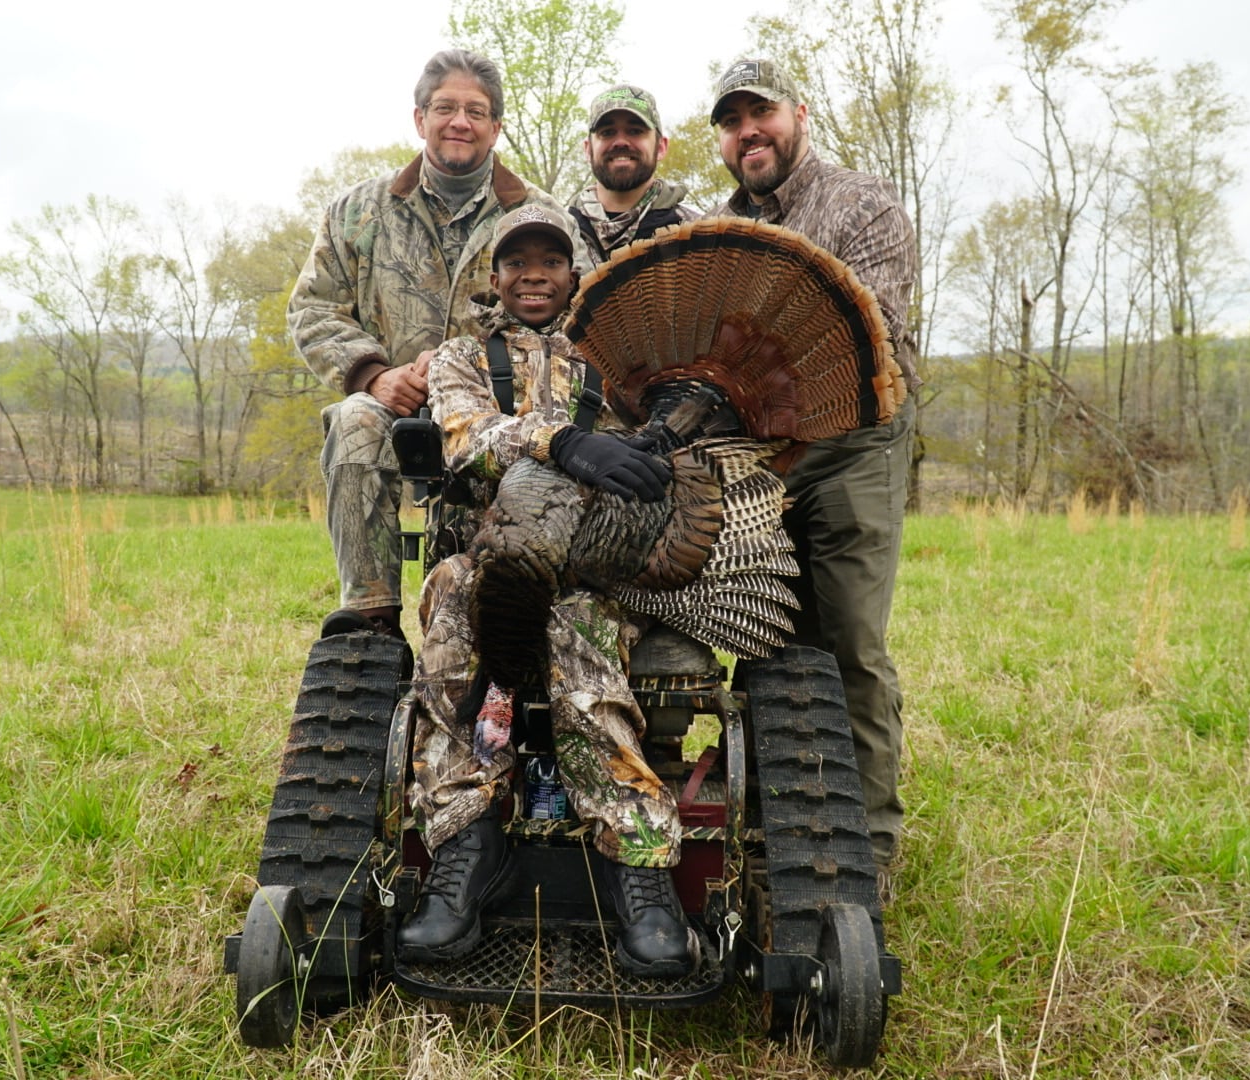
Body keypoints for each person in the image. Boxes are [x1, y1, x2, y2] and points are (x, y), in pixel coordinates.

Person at [393, 205, 697, 978]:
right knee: (455, 598)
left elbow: (661, 451)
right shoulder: (462, 356)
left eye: (550, 261)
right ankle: (467, 847)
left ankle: (637, 861)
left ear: (573, 274)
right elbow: (461, 435)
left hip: (593, 564)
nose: (534, 275)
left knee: (577, 623)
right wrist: (558, 440)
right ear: (495, 278)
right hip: (484, 557)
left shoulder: (612, 359)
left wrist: (654, 440)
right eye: (517, 262)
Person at [710, 58, 922, 896]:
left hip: (854, 441)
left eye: (760, 113)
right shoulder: (721, 227)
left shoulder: (861, 203)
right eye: (731, 122)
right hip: (764, 451)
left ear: (799, 113)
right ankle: (782, 822)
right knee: (765, 634)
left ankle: (870, 846)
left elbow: (873, 329)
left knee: (850, 642)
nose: (748, 132)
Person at [286, 49, 579, 649]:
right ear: (420, 118)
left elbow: (580, 313)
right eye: (445, 108)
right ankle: (371, 624)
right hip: (401, 405)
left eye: (476, 111)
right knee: (354, 421)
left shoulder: (542, 215)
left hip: (505, 411)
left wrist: (490, 364)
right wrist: (374, 375)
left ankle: (535, 617)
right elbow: (312, 308)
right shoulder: (357, 211)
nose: (459, 122)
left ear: (496, 126)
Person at [568, 83, 701, 265]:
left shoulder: (698, 236)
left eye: (635, 131)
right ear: (587, 149)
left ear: (661, 147)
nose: (620, 142)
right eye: (607, 132)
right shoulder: (558, 232)